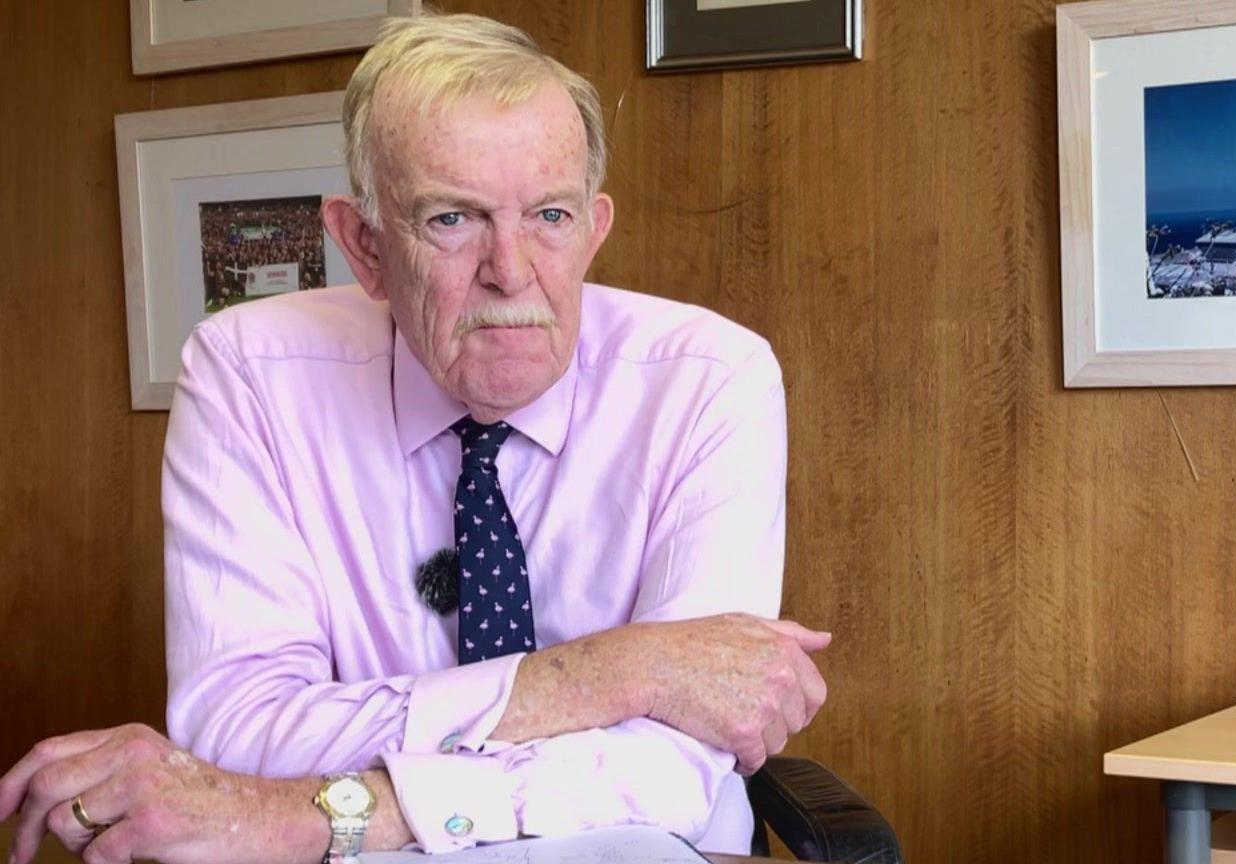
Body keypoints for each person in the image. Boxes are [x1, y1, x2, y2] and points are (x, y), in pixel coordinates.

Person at [0, 12, 828, 864]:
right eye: (451, 220)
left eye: (549, 214)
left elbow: (673, 769)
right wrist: (612, 674)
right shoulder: (249, 371)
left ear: (593, 228)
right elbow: (239, 732)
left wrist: (327, 814)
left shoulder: (709, 379)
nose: (511, 269)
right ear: (364, 246)